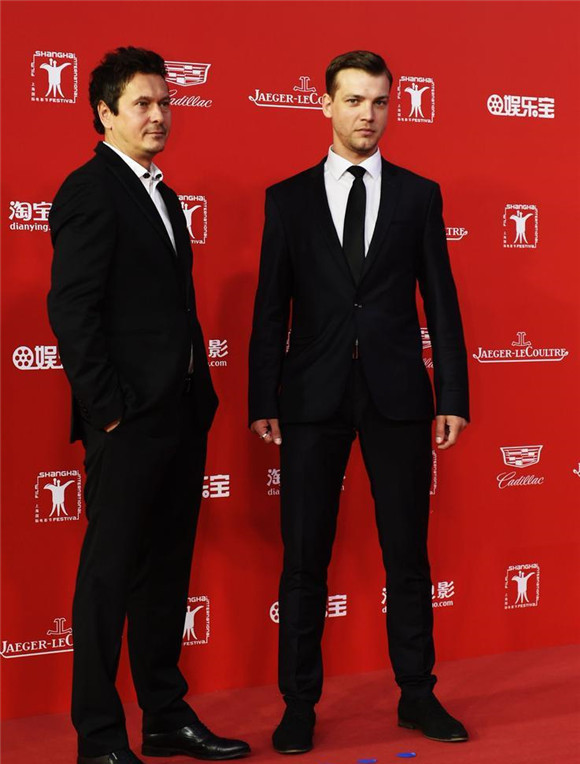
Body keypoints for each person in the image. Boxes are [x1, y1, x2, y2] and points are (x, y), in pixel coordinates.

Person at [249, 50, 470, 754]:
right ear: (326, 105)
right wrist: (261, 396)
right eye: (353, 100)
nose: (368, 115)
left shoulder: (419, 195)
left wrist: (452, 393)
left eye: (379, 101)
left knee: (407, 554)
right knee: (303, 558)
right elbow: (270, 308)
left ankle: (417, 694)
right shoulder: (287, 199)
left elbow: (441, 300)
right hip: (311, 397)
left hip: (397, 394)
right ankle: (299, 705)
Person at [48, 47, 250, 764]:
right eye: (142, 104)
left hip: (180, 414)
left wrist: (195, 398)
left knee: (165, 573)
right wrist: (109, 411)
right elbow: (72, 311)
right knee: (108, 578)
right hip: (128, 421)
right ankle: (99, 740)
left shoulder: (162, 193)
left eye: (165, 102)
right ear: (104, 113)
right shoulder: (90, 190)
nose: (159, 115)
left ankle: (163, 716)